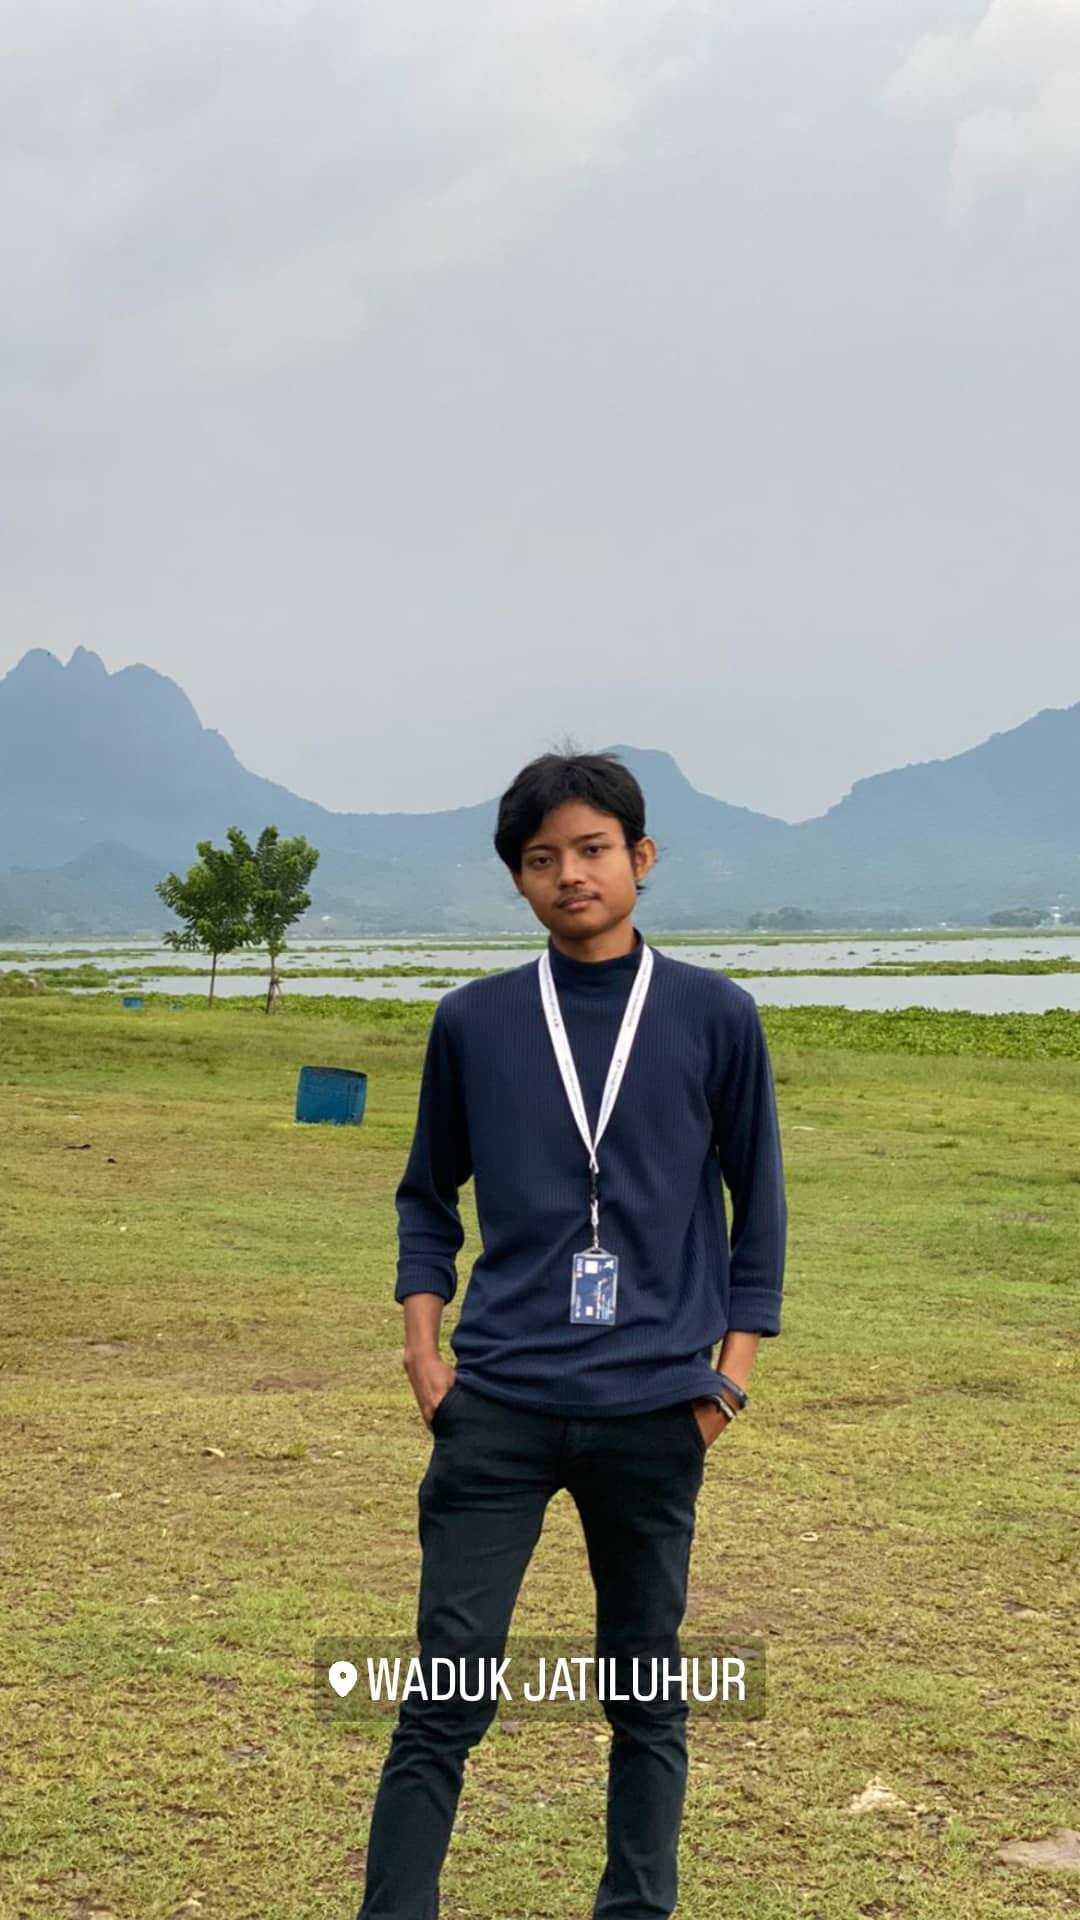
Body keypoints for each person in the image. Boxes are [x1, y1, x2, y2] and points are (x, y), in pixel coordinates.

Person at [355, 749, 787, 1920]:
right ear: (518, 882)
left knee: (646, 1689)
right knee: (446, 1688)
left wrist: (726, 1382)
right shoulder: (476, 1023)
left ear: (640, 859)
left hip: (657, 1409)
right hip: (497, 1406)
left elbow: (762, 1205)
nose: (570, 874)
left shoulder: (715, 1017)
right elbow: (423, 1194)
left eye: (592, 849)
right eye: (540, 859)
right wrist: (423, 1348)